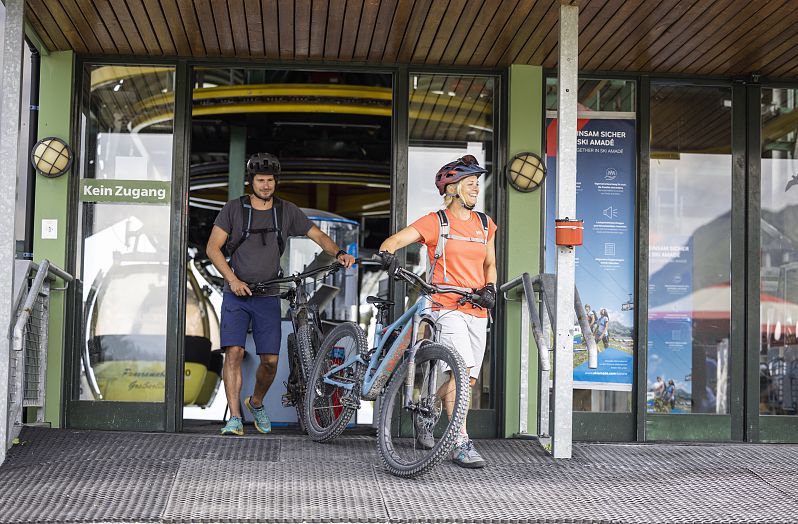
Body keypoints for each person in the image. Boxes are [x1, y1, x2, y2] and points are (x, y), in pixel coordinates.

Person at [206, 152, 355, 436]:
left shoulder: (286, 211)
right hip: (236, 294)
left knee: (270, 361)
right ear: (251, 182)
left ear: (276, 182)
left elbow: (317, 235)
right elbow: (213, 248)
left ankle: (256, 402)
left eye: (270, 180)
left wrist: (338, 252)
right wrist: (233, 280)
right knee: (234, 353)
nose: (265, 185)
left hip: (268, 294)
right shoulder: (233, 210)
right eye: (260, 180)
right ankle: (235, 418)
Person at [377, 154, 497, 469]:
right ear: (452, 188)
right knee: (460, 366)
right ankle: (460, 442)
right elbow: (394, 241)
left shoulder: (485, 224)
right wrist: (388, 255)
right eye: (470, 182)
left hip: (477, 310)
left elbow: (489, 264)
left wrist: (491, 287)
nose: (476, 187)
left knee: (466, 379)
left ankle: (426, 409)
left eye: (476, 182)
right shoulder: (436, 222)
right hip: (445, 306)